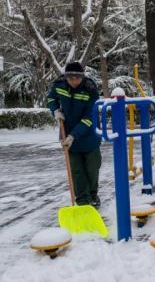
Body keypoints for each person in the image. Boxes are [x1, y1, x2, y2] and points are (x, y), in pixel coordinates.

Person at [47, 62, 102, 207]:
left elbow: (90, 117)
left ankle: (92, 195)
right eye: (70, 78)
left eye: (77, 78)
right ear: (66, 77)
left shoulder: (90, 90)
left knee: (92, 168)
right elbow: (51, 98)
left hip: (89, 135)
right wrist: (55, 111)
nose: (73, 82)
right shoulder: (59, 85)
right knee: (76, 170)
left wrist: (73, 136)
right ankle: (83, 201)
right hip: (67, 133)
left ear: (82, 77)